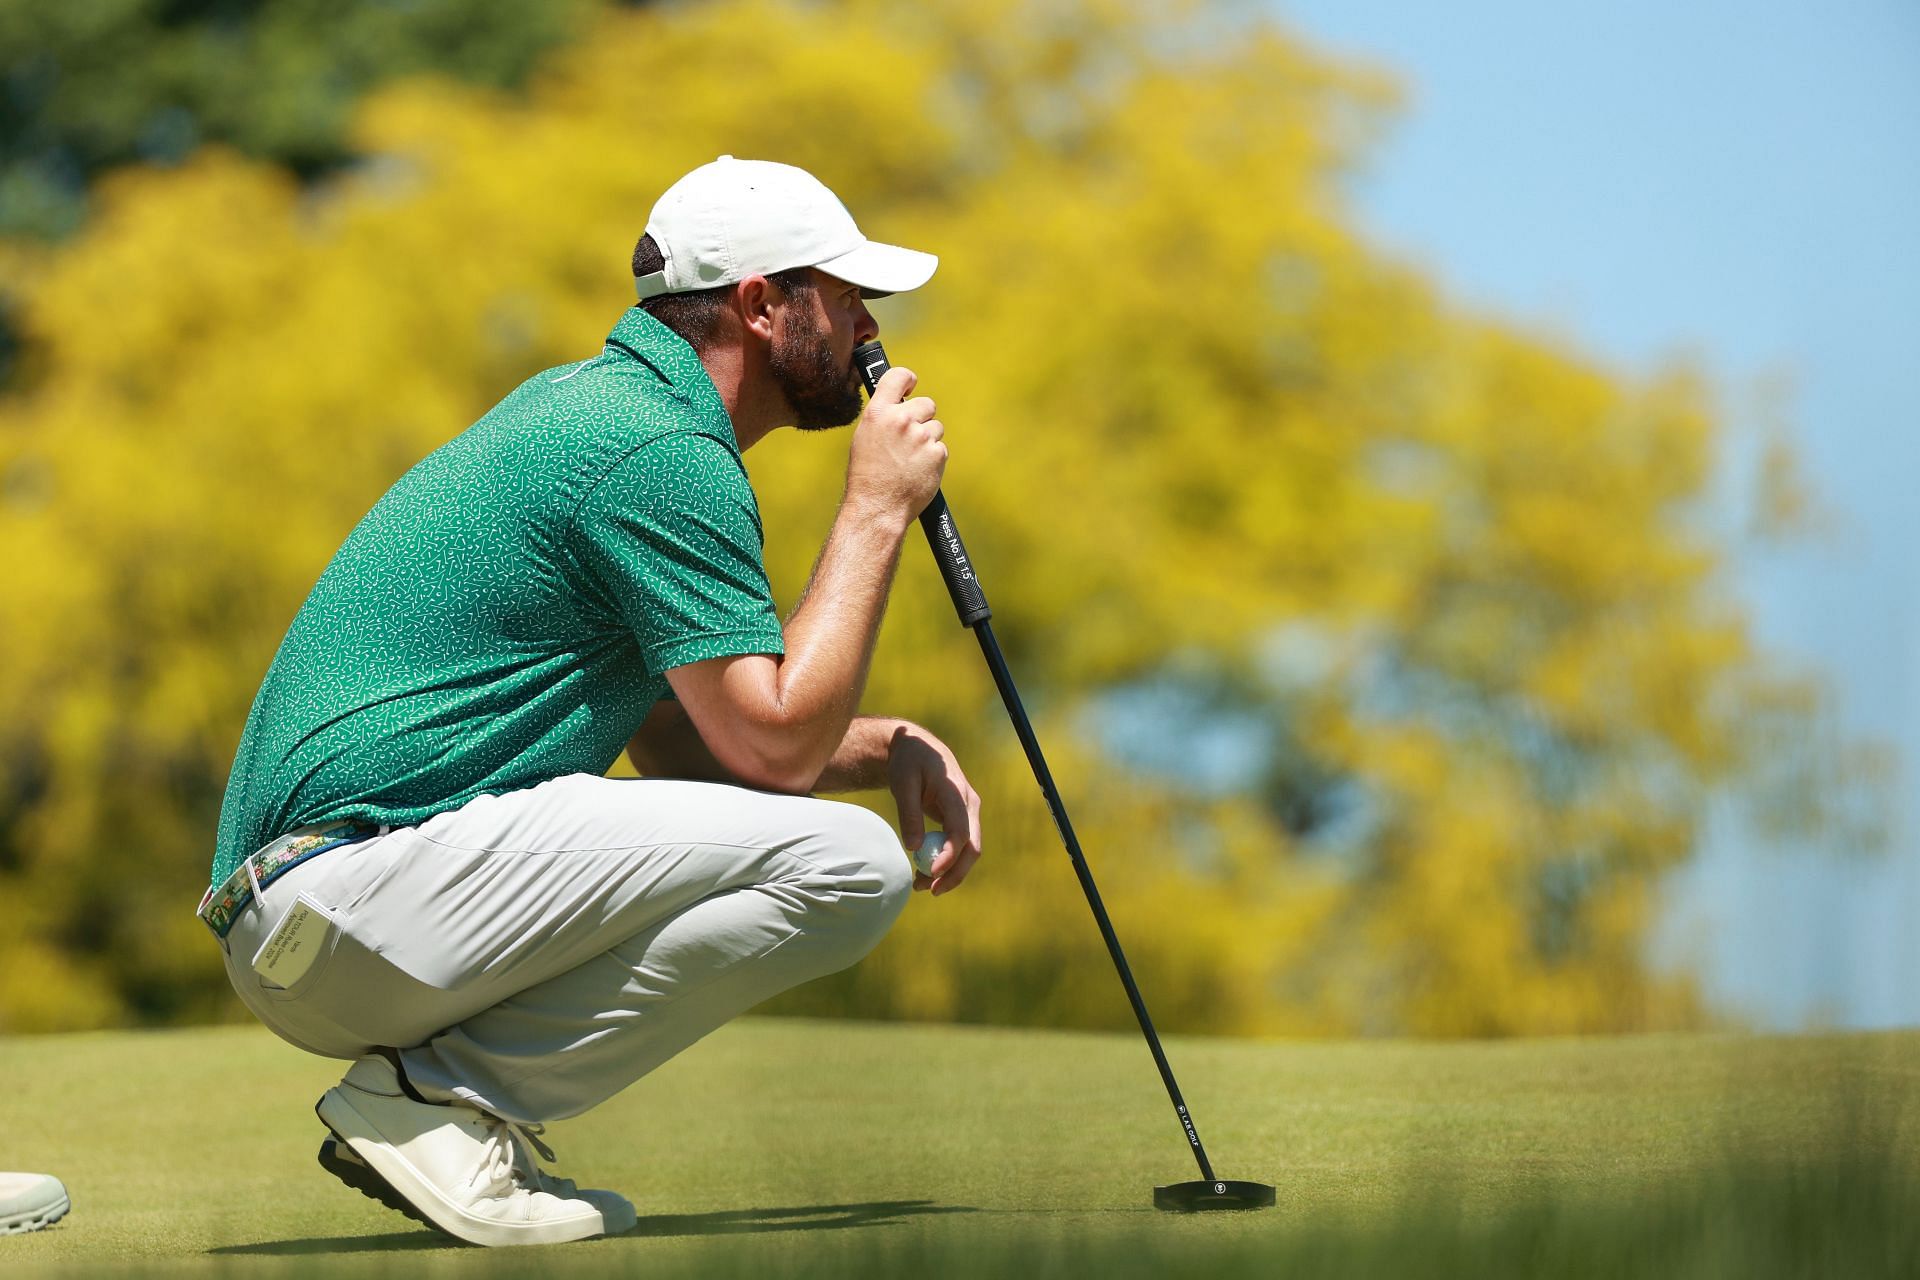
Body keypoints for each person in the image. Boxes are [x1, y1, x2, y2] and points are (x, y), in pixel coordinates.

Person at [197, 155, 984, 1247]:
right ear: (760, 305)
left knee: (819, 836)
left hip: (315, 921)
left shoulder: (606, 410)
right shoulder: (658, 448)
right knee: (844, 865)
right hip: (352, 897)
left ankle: (433, 1101)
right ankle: (430, 1098)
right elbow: (765, 754)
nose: (866, 329)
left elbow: (686, 743)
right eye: (846, 295)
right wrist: (876, 506)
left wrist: (875, 743)